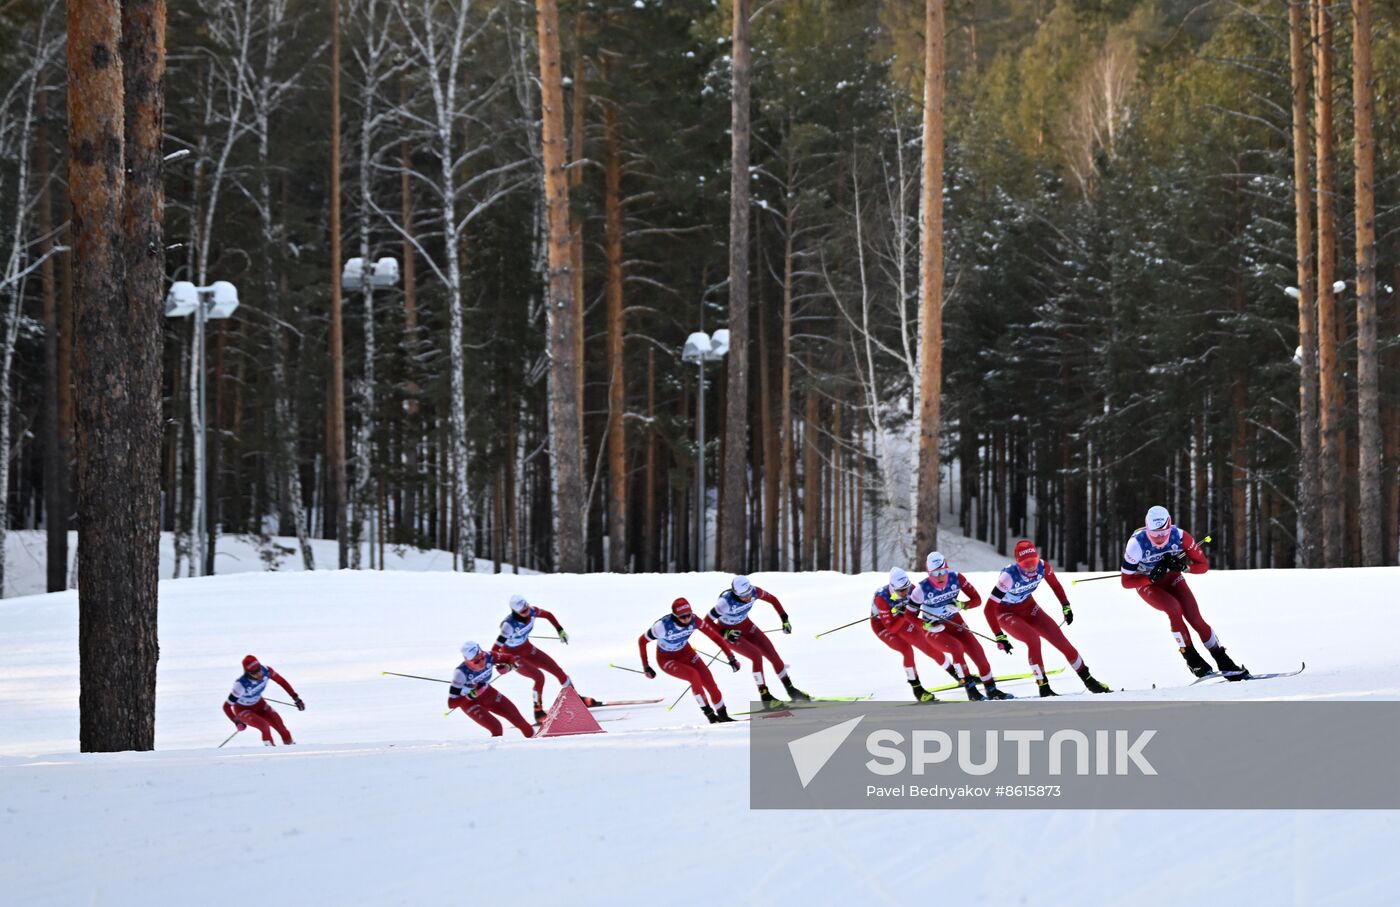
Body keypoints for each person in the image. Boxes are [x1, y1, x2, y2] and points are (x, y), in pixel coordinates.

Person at [1121, 505, 1247, 679]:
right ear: (1147, 529)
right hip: (1148, 585)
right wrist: (1149, 578)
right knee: (1174, 609)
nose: (1159, 539)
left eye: (1163, 534)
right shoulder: (1136, 544)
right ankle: (1191, 658)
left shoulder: (1180, 537)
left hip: (1173, 579)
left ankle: (1222, 659)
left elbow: (1203, 566)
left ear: (1170, 526)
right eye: (1154, 535)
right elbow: (1126, 582)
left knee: (1196, 619)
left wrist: (1184, 567)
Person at [986, 540, 1111, 696]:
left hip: (1029, 607)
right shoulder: (1008, 576)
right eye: (1026, 563)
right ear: (1018, 563)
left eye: (1033, 561)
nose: (1031, 566)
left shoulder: (1043, 567)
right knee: (1033, 639)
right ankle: (1043, 687)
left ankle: (1090, 681)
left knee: (1061, 641)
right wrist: (999, 635)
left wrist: (1066, 606)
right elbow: (988, 608)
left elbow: (1056, 586)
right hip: (1005, 613)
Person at [911, 552, 1010, 700]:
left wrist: (962, 605)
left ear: (948, 569)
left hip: (954, 621)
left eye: (943, 572)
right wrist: (925, 625)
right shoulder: (921, 589)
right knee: (956, 648)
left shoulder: (956, 578)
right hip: (935, 629)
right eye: (934, 574)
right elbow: (907, 615)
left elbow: (977, 600)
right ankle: (971, 690)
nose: (940, 577)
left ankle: (991, 689)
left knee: (978, 652)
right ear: (928, 574)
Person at [703, 575, 810, 706]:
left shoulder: (755, 592)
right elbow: (706, 621)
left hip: (746, 626)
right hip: (730, 634)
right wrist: (724, 633)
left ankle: (791, 690)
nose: (748, 597)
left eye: (748, 593)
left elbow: (773, 600)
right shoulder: (725, 603)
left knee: (773, 654)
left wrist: (785, 619)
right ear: (735, 594)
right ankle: (765, 697)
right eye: (743, 596)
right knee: (756, 656)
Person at [491, 593, 598, 723]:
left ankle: (577, 699)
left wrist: (560, 630)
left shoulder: (532, 611)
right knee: (539, 677)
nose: (527, 612)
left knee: (557, 670)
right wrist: (502, 664)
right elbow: (495, 649)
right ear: (515, 611)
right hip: (513, 656)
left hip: (527, 649)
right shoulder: (508, 625)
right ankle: (538, 712)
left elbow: (548, 615)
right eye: (523, 611)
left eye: (527, 608)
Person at [639, 598, 741, 723]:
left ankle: (723, 715)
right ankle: (710, 716)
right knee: (694, 675)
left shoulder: (695, 620)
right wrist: (646, 666)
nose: (687, 619)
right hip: (667, 659)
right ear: (675, 616)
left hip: (686, 652)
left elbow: (715, 637)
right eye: (683, 617)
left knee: (710, 682)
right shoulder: (662, 627)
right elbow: (642, 640)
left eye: (689, 615)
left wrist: (731, 657)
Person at [869, 568, 933, 701]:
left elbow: (915, 613)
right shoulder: (882, 598)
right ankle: (917, 689)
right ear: (892, 588)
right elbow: (891, 628)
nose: (905, 593)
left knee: (929, 640)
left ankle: (958, 674)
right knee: (906, 650)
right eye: (901, 591)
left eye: (907, 588)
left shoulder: (912, 589)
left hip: (899, 620)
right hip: (882, 626)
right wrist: (903, 615)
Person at [448, 641, 535, 738]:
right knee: (496, 727)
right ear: (467, 661)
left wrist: (508, 667)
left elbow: (511, 658)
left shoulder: (490, 656)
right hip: (469, 703)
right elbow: (451, 703)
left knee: (519, 721)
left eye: (482, 657)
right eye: (476, 661)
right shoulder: (460, 674)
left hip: (488, 693)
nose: (481, 662)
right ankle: (494, 752)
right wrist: (472, 695)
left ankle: (537, 747)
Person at [222, 655, 303, 746]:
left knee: (281, 727)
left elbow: (282, 682)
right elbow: (226, 706)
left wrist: (295, 697)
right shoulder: (241, 685)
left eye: (259, 669)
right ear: (248, 673)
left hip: (259, 705)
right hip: (243, 710)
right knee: (264, 726)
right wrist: (237, 721)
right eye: (254, 672)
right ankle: (271, 751)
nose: (259, 673)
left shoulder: (267, 671)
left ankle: (291, 749)